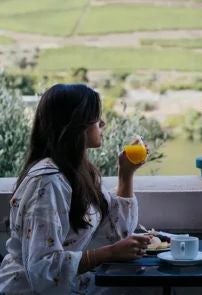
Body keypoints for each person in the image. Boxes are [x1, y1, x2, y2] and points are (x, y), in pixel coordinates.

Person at [0, 84, 151, 294]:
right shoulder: (47, 182)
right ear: (77, 125)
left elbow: (115, 232)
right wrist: (108, 254)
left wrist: (126, 174)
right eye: (97, 119)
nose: (103, 124)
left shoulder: (77, 172)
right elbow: (42, 268)